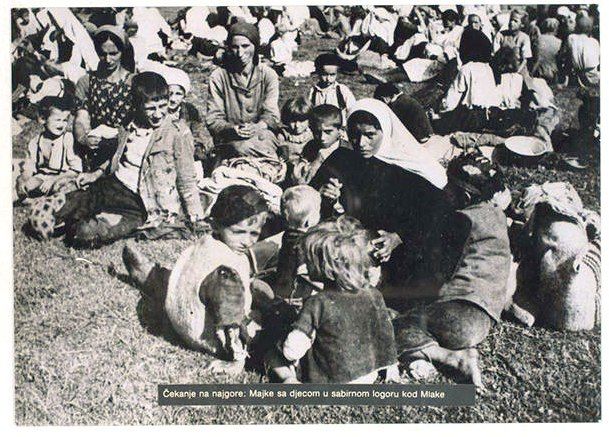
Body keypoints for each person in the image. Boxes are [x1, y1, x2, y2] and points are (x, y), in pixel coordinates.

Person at [29, 72, 203, 247]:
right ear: (137, 105)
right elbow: (118, 155)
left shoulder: (178, 133)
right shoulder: (129, 123)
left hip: (139, 204)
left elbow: (187, 178)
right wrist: (96, 174)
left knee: (85, 233)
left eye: (162, 107)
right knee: (67, 204)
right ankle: (57, 212)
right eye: (151, 108)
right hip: (113, 186)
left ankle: (83, 223)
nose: (158, 114)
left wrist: (195, 216)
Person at [121, 185, 272, 372]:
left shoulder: (209, 242)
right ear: (216, 224)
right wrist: (236, 361)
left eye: (254, 233)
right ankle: (154, 278)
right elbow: (230, 317)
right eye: (238, 232)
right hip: (206, 335)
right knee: (272, 322)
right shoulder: (225, 275)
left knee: (179, 278)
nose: (247, 241)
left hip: (179, 315)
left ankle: (153, 277)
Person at [392, 152, 512, 388]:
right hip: (484, 316)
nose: (444, 190)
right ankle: (427, 352)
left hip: (457, 311)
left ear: (465, 196)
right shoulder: (495, 214)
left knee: (390, 324)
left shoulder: (461, 221)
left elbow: (436, 271)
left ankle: (452, 358)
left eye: (449, 186)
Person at [266, 221, 399, 383]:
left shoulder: (319, 302)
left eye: (308, 260)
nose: (304, 265)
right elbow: (385, 336)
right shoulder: (373, 294)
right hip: (366, 375)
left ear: (326, 268)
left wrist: (283, 344)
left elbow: (292, 350)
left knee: (272, 352)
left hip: (331, 378)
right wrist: (391, 368)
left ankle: (289, 380)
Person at [206, 22, 281, 160]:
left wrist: (259, 126)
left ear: (255, 46)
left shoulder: (268, 75)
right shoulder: (219, 76)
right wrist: (231, 129)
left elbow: (272, 114)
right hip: (230, 140)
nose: (240, 53)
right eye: (235, 47)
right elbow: (213, 118)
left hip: (262, 136)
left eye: (245, 46)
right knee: (238, 151)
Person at [73, 25, 134, 175]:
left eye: (113, 53)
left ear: (123, 52)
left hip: (123, 149)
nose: (108, 59)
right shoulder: (86, 81)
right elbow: (81, 117)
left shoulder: (133, 82)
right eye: (102, 53)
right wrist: (83, 138)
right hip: (94, 146)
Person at [16, 96, 82, 199]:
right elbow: (29, 168)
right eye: (57, 120)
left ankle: (52, 199)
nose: (61, 124)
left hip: (63, 177)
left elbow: (75, 170)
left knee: (60, 187)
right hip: (43, 177)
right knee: (28, 185)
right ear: (42, 119)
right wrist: (23, 180)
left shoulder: (68, 139)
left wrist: (53, 180)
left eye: (65, 120)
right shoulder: (35, 141)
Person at [273, 185, 321, 301]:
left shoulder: (288, 236)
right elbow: (303, 272)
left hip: (281, 287)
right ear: (308, 222)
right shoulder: (304, 243)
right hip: (295, 295)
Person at [290, 104, 350, 185]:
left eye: (328, 132)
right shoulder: (311, 146)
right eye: (317, 132)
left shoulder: (348, 150)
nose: (322, 137)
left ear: (340, 130)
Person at [308, 53, 356, 121]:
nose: (328, 78)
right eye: (324, 74)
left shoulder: (341, 90)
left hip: (338, 127)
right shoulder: (314, 91)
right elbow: (309, 110)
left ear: (337, 73)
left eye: (332, 75)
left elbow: (352, 108)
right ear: (318, 73)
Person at [559, 15, 599, 88]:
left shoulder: (571, 38)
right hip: (593, 77)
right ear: (590, 28)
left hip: (577, 78)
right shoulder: (594, 42)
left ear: (577, 27)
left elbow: (563, 56)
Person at [493, 9, 532, 74]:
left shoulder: (524, 38)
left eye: (515, 21)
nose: (511, 22)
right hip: (503, 71)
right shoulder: (501, 35)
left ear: (522, 24)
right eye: (511, 20)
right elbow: (495, 55)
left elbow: (524, 60)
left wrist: (517, 73)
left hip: (519, 71)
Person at [276, 97, 313, 162]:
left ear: (309, 119)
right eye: (293, 121)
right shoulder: (284, 133)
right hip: (287, 163)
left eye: (302, 121)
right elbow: (281, 144)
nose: (297, 125)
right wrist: (284, 150)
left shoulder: (311, 134)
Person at [530, 18, 561, 83]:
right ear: (555, 28)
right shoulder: (559, 42)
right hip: (553, 73)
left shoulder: (538, 39)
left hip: (538, 72)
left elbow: (534, 56)